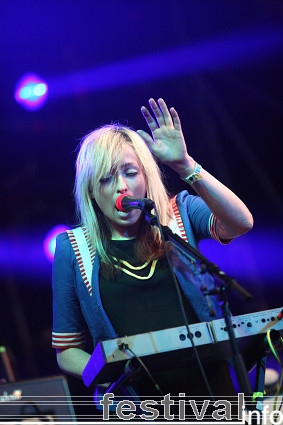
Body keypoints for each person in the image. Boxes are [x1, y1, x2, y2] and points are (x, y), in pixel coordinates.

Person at [52, 98, 253, 414]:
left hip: (213, 398)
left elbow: (240, 223)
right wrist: (102, 371)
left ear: (145, 177)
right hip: (138, 407)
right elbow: (66, 351)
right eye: (106, 179)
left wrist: (185, 164)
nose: (123, 187)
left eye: (131, 173)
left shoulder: (179, 213)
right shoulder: (73, 247)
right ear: (91, 190)